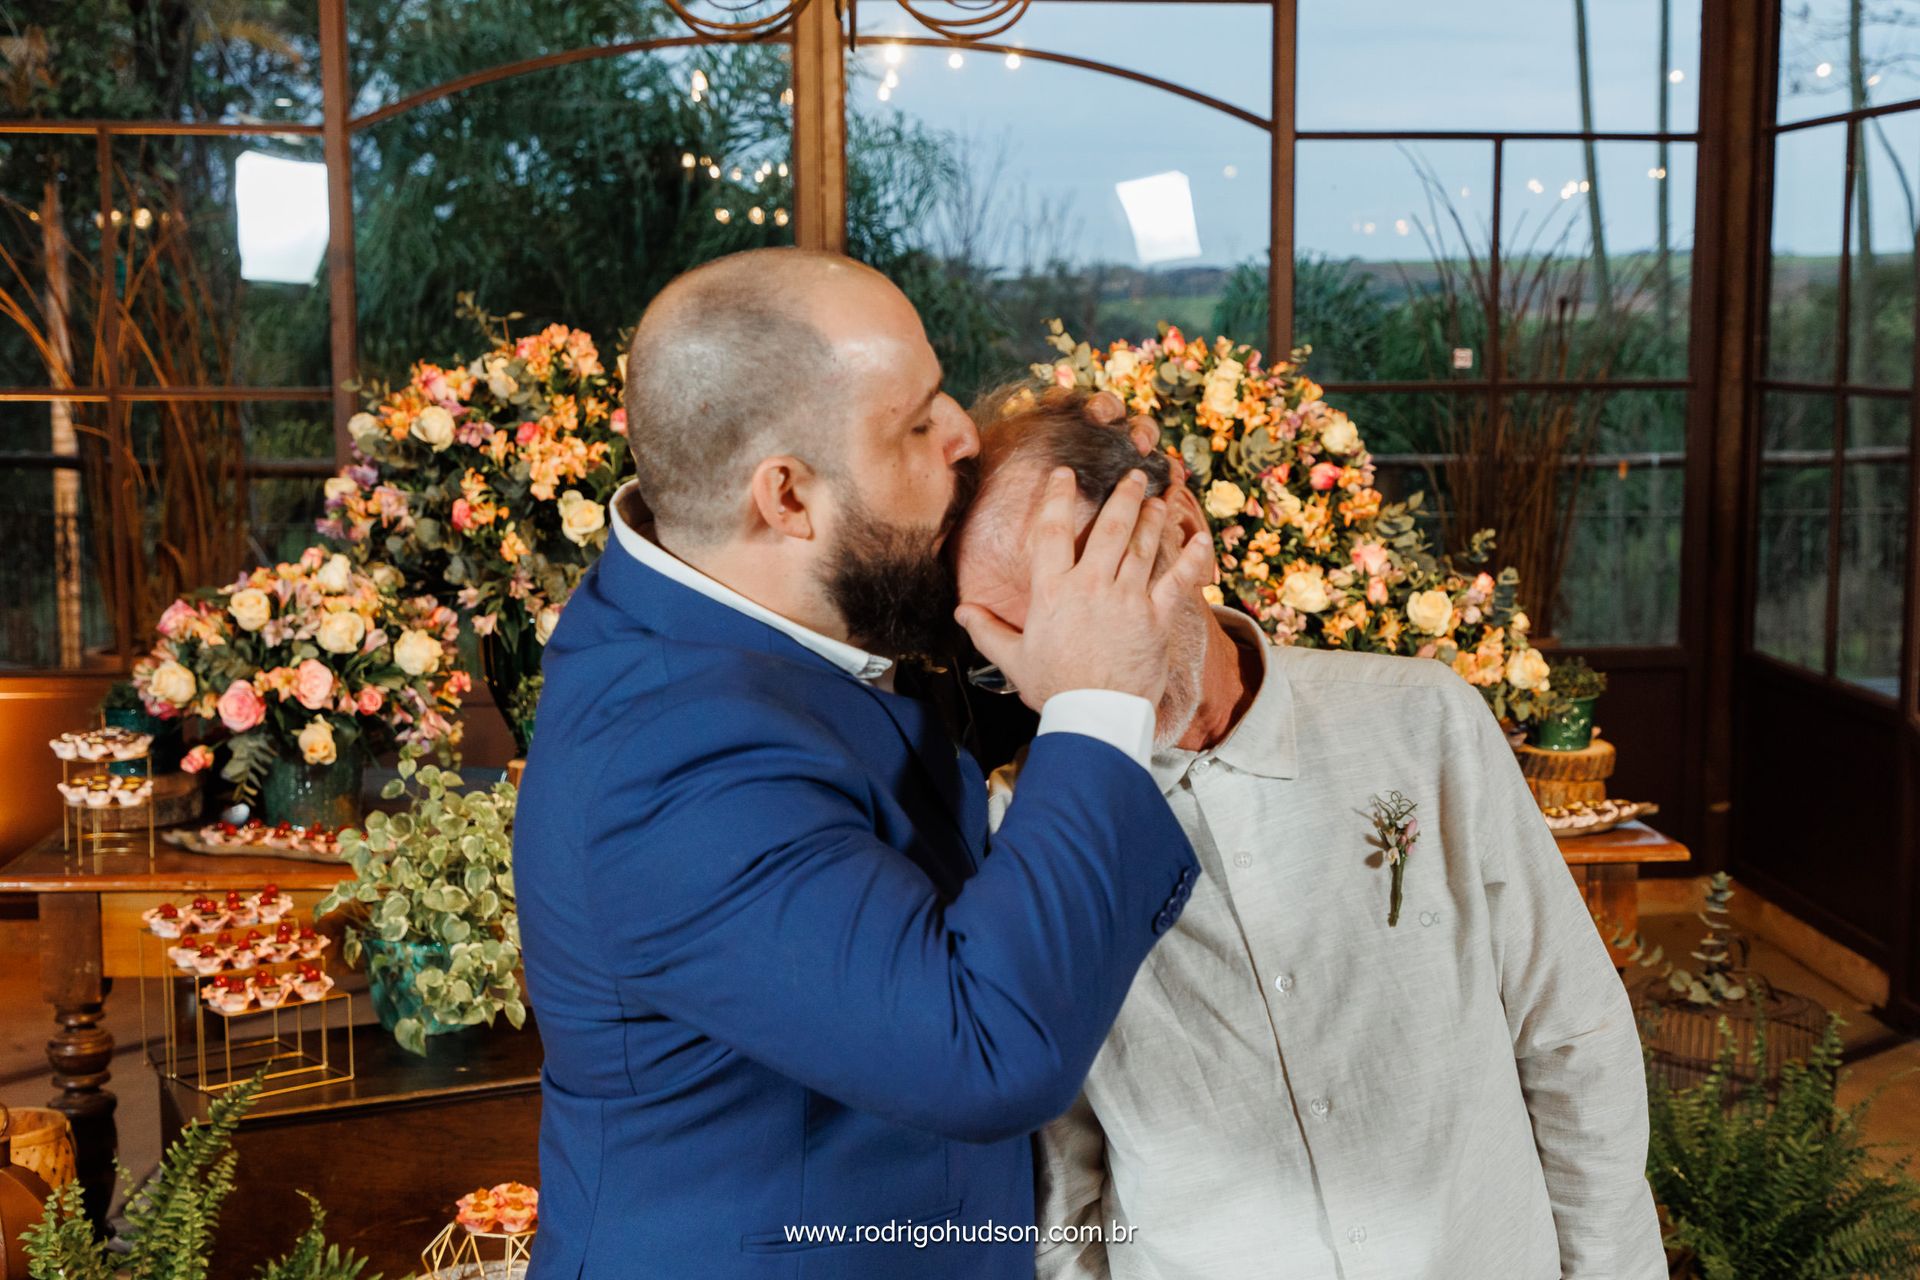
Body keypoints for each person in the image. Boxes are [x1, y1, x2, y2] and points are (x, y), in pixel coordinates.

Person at [513, 249, 1214, 1278]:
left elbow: (911, 736)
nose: (963, 433)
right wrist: (1097, 695)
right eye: (918, 421)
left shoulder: (744, 610)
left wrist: (1069, 480)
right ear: (787, 497)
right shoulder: (660, 766)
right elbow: (988, 1047)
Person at [953, 385, 1667, 1280]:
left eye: (1082, 602)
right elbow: (1060, 1176)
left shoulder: (1422, 722)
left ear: (1178, 526)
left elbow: (1572, 1038)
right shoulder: (1017, 830)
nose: (1057, 674)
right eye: (1010, 641)